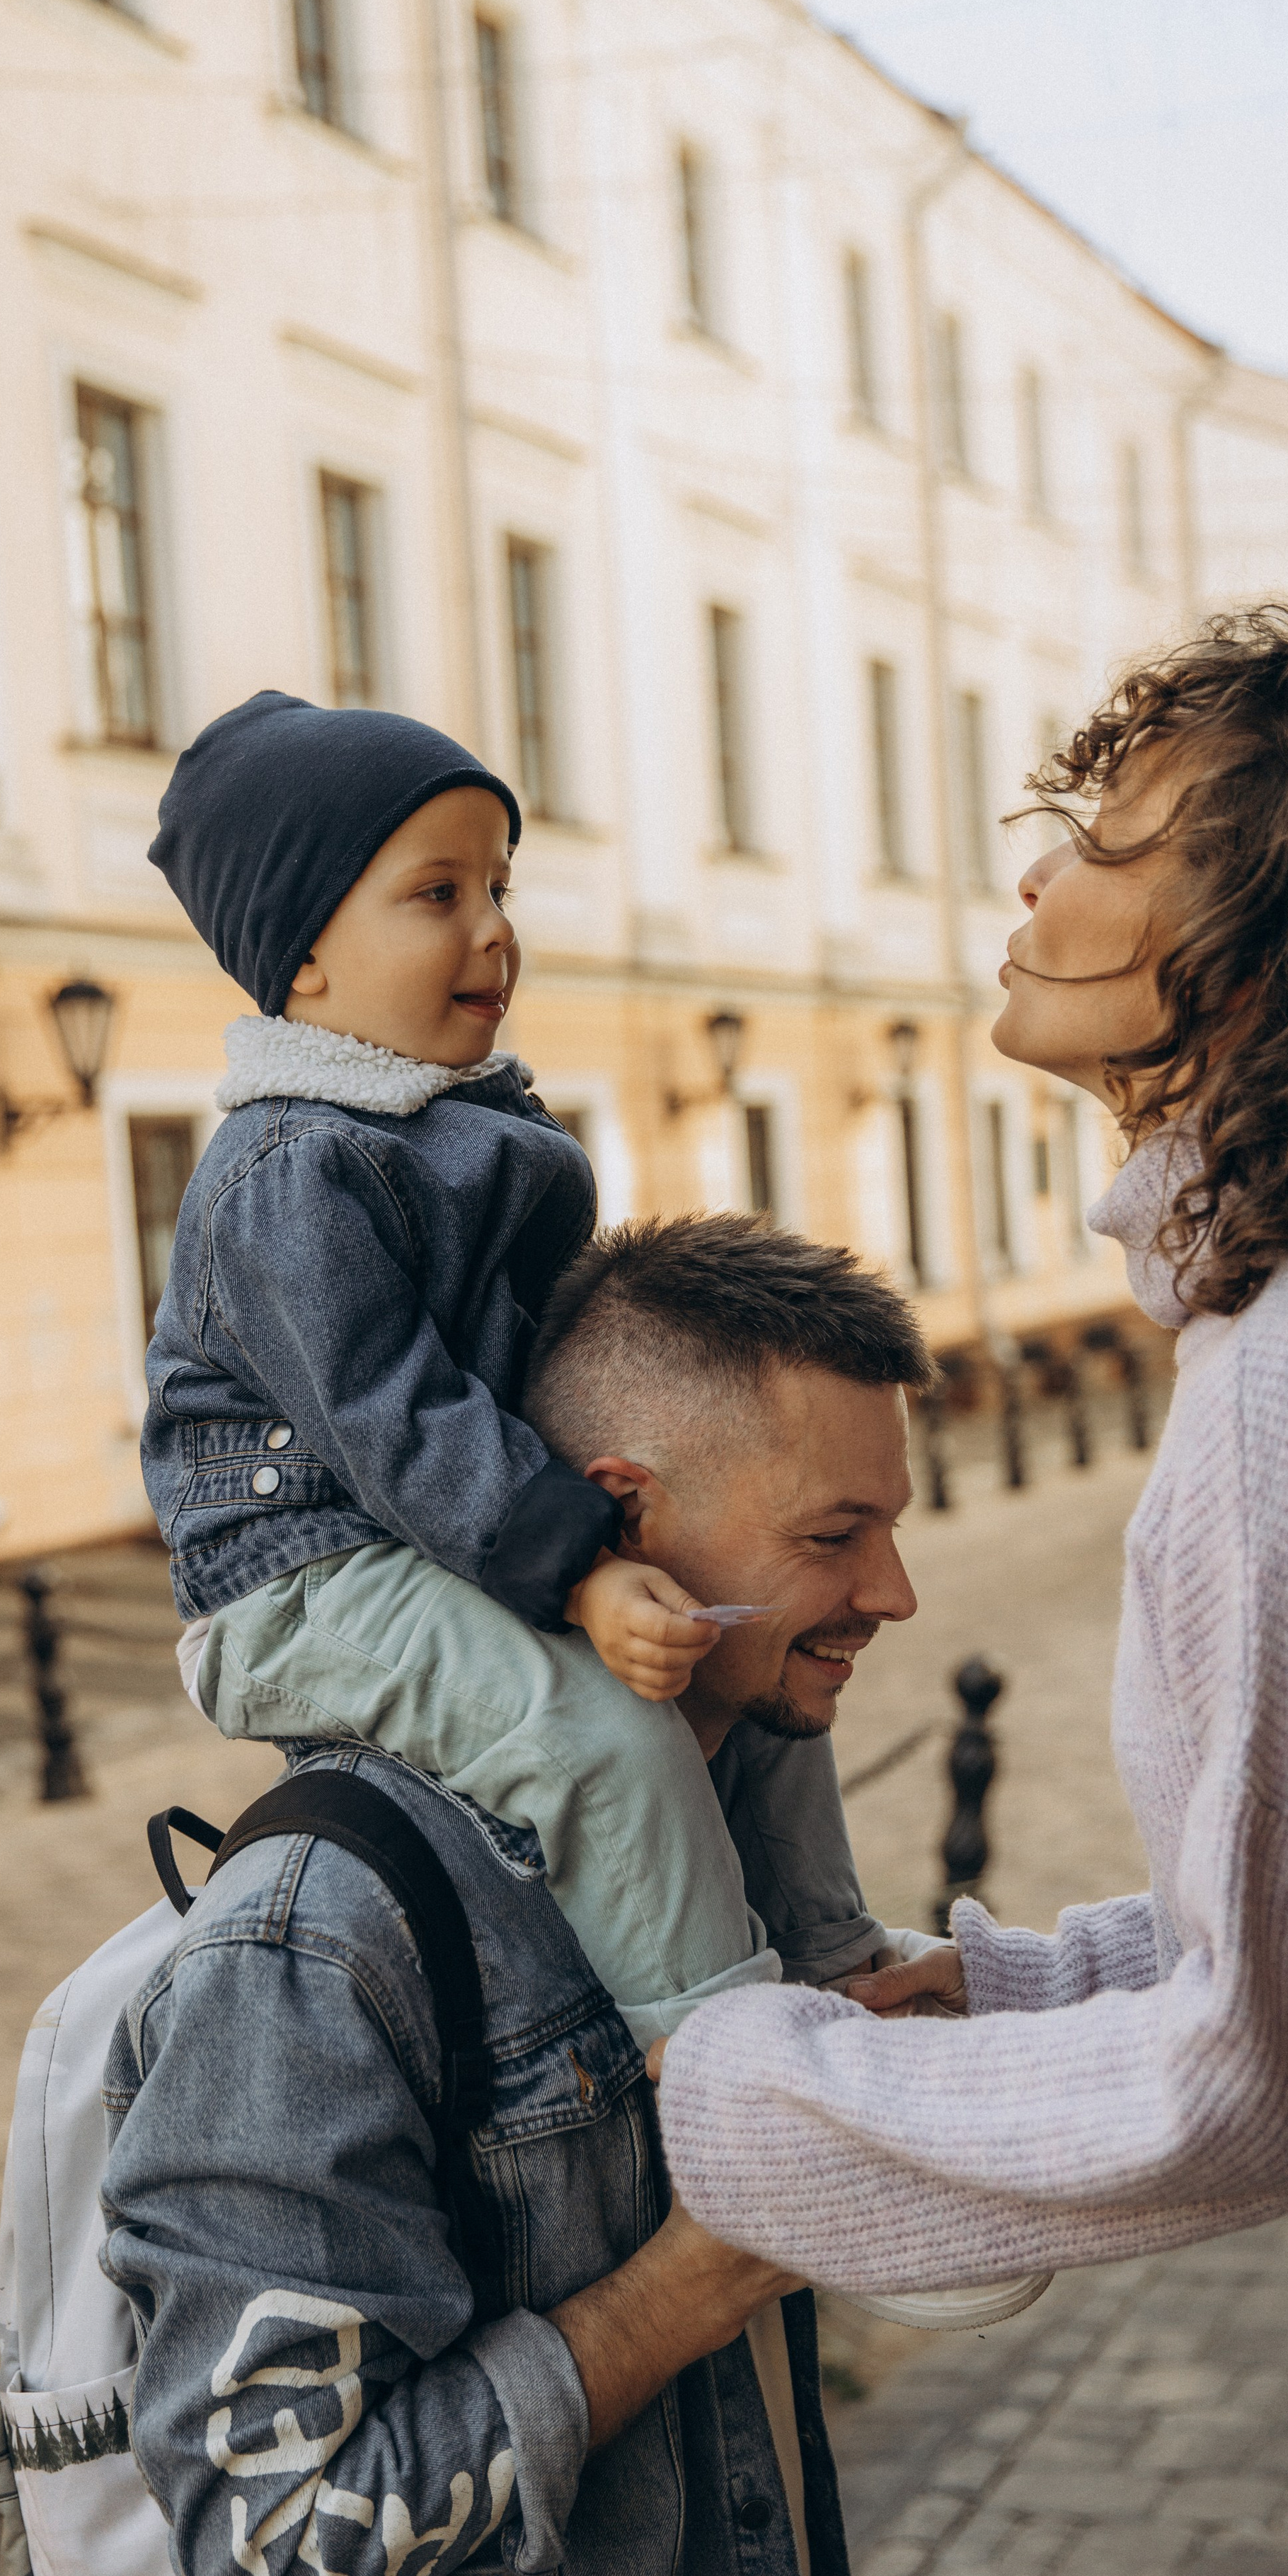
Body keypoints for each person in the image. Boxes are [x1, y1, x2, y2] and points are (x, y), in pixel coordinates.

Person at [655, 610, 1288, 2576]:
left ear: (1261, 948)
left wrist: (767, 2099)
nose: (1036, 882)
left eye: (1115, 839)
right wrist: (1014, 1990)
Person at [101, 1206, 933, 2576]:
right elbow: (276, 2548)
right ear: (618, 1517)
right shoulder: (315, 1941)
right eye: (833, 1538)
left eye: (889, 1528)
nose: (891, 1596)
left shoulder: (737, 1802)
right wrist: (686, 2285)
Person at [142, 690, 886, 2047]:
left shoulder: (464, 1128)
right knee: (594, 1732)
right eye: (436, 893)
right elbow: (400, 1423)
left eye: (499, 883)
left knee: (741, 1642)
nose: (493, 927)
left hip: (455, 1540)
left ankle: (833, 1956)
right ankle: (726, 2053)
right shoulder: (293, 1171)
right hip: (307, 1581)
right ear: (301, 955)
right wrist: (588, 1571)